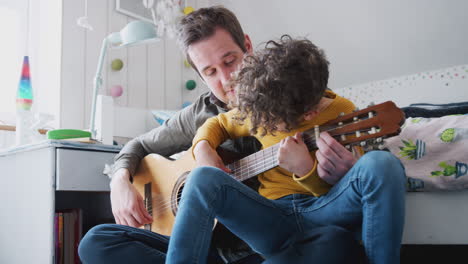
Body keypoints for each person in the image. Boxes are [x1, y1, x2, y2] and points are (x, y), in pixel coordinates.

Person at [79, 6, 361, 264]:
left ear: (247, 47)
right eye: (210, 71)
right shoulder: (199, 114)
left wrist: (346, 172)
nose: (226, 80)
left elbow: (341, 187)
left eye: (230, 61)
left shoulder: (293, 94)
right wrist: (120, 180)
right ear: (200, 75)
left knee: (333, 244)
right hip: (202, 245)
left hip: (263, 245)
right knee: (96, 241)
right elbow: (138, 145)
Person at [165, 36, 407, 264]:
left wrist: (306, 171)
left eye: (272, 123)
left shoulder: (343, 113)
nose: (262, 126)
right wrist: (204, 147)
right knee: (201, 177)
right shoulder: (262, 105)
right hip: (271, 219)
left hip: (324, 209)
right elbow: (216, 123)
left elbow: (358, 185)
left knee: (382, 164)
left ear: (310, 113)